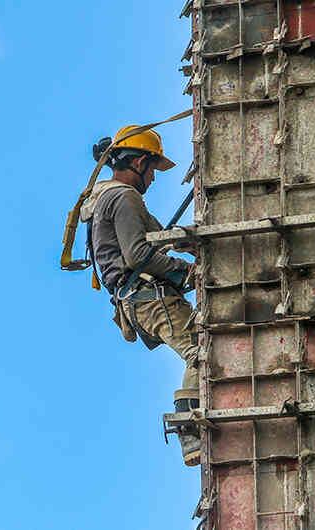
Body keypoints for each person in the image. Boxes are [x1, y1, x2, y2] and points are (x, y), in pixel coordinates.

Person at [79, 126, 201, 467]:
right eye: (152, 169)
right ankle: (190, 428)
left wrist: (187, 242)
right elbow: (138, 255)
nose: (153, 177)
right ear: (138, 162)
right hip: (147, 296)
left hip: (135, 300)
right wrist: (185, 270)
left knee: (202, 348)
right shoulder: (124, 197)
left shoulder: (110, 197)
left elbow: (157, 235)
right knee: (204, 350)